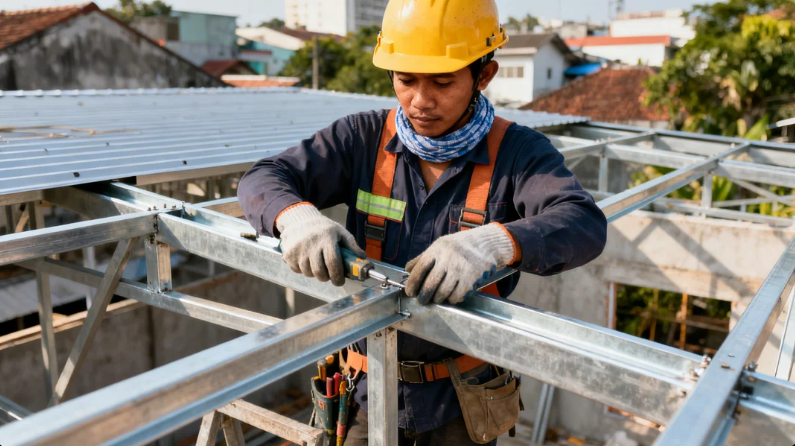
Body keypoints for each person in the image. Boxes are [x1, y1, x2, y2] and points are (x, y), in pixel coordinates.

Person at [238, 0, 607, 443]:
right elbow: (264, 177)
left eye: (443, 82)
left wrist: (494, 242)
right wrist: (294, 217)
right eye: (405, 80)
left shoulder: (519, 154)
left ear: (483, 77)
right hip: (365, 391)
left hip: (460, 403)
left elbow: (582, 222)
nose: (420, 100)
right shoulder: (363, 138)